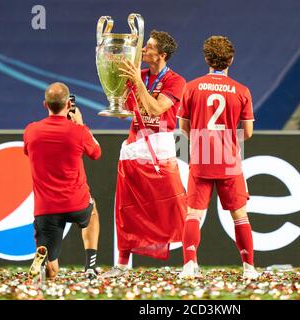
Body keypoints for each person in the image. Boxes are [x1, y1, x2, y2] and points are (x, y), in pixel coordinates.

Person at [101, 30, 187, 278]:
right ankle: (121, 266)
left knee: (174, 209)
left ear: (162, 55)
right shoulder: (137, 75)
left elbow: (157, 109)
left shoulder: (175, 81)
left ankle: (190, 261)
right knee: (125, 209)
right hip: (133, 147)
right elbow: (129, 110)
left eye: (148, 47)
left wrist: (137, 84)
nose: (142, 51)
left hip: (160, 150)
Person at [177, 36, 258, 279]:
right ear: (230, 60)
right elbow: (249, 132)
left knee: (194, 213)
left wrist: (203, 139)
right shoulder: (242, 90)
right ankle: (249, 268)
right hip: (229, 159)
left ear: (206, 59)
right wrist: (228, 140)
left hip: (201, 156)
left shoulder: (191, 87)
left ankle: (190, 265)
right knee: (239, 214)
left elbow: (183, 126)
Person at [24, 82, 101, 281]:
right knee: (92, 212)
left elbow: (27, 151)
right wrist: (81, 123)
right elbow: (97, 152)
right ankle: (90, 266)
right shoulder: (78, 131)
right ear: (69, 104)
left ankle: (44, 259)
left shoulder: (31, 131)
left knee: (52, 272)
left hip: (46, 208)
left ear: (45, 104)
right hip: (76, 202)